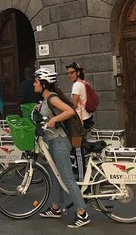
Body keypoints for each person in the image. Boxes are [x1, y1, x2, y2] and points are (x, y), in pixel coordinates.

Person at [35, 68, 90, 228]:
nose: (34, 83)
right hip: (52, 141)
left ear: (44, 84)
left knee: (67, 177)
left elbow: (70, 111)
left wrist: (54, 120)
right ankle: (56, 207)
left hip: (59, 142)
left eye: (36, 81)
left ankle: (82, 213)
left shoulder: (52, 98)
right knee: (55, 176)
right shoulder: (46, 99)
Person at [66, 61, 93, 183]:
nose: (69, 75)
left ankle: (82, 179)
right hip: (86, 118)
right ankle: (84, 172)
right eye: (68, 73)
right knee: (79, 148)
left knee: (78, 150)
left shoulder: (77, 85)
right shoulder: (84, 83)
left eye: (71, 72)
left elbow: (74, 105)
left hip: (79, 122)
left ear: (78, 72)